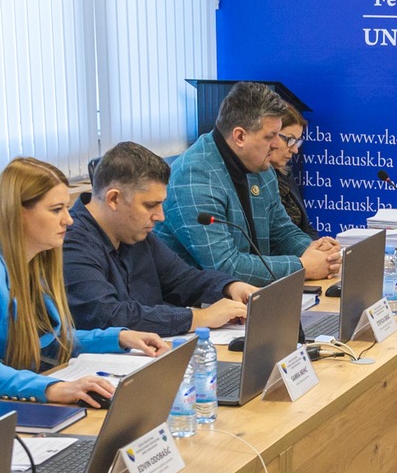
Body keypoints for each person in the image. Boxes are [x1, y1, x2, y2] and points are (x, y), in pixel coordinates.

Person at [0, 156, 166, 412]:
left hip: (5, 397)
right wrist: (53, 388)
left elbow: (51, 340)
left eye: (66, 208)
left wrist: (119, 337)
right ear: (18, 213)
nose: (69, 220)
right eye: (56, 209)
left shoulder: (34, 259)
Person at [64, 142, 258, 337]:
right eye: (150, 205)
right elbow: (108, 316)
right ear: (114, 199)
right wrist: (200, 318)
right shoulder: (71, 242)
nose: (160, 216)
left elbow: (183, 279)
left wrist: (230, 287)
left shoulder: (133, 231)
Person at [155, 82, 339, 285]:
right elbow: (225, 266)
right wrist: (303, 266)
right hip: (200, 299)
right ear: (240, 136)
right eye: (270, 136)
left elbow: (282, 231)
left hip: (253, 294)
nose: (277, 144)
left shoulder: (259, 164)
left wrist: (318, 252)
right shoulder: (194, 177)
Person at [270, 106, 315, 235]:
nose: (295, 150)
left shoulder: (285, 174)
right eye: (290, 140)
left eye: (297, 141)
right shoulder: (255, 178)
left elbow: (306, 227)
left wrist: (320, 245)